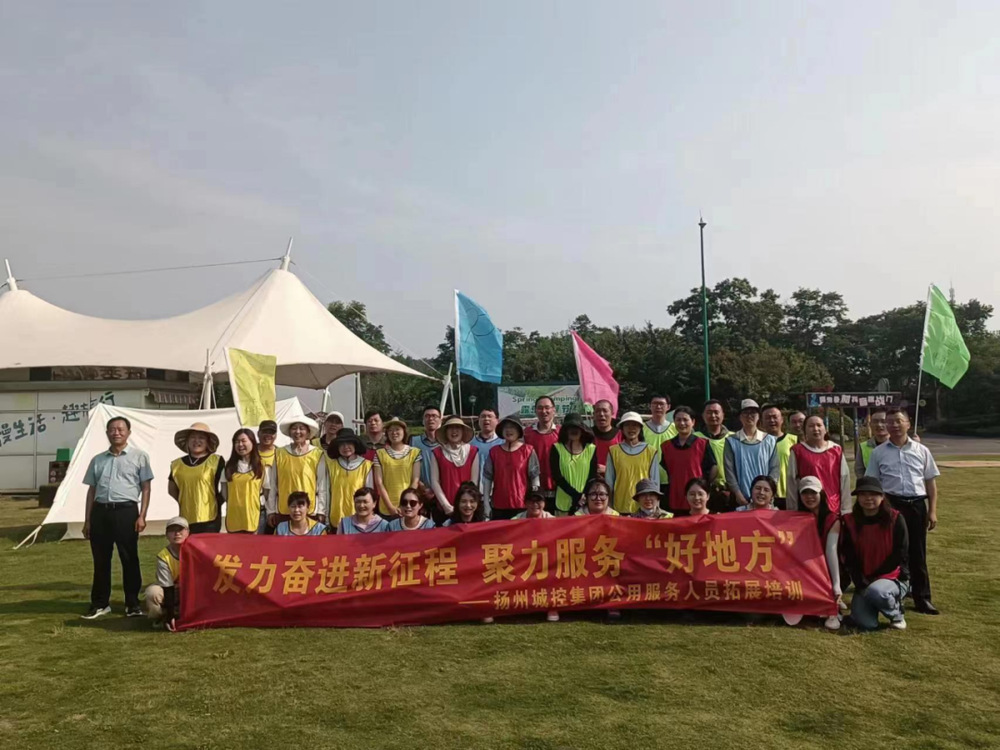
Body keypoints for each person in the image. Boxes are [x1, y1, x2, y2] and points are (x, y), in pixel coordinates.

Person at [865, 407, 940, 615]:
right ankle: (894, 595)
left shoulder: (921, 450)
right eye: (889, 422)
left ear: (908, 423)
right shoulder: (878, 453)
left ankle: (922, 598)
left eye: (898, 421)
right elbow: (874, 483)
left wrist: (932, 511)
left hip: (917, 505)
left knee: (918, 552)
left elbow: (930, 483)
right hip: (892, 505)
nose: (894, 425)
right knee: (894, 552)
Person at [81, 416, 152, 620]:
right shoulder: (98, 459)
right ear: (107, 433)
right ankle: (100, 604)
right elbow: (91, 491)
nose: (116, 433)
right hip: (100, 512)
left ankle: (132, 604)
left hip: (126, 512)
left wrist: (142, 515)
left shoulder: (140, 457)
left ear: (128, 432)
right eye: (112, 429)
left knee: (129, 558)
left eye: (121, 429)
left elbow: (146, 488)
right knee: (100, 560)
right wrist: (87, 520)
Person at [841, 476, 910, 631]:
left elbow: (900, 554)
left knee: (878, 592)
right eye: (863, 494)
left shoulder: (895, 519)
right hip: (865, 581)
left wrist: (875, 577)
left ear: (882, 496)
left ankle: (897, 615)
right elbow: (849, 556)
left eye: (873, 494)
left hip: (892, 578)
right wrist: (860, 580)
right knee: (867, 624)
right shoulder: (850, 522)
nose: (868, 498)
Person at [784, 477, 844, 631]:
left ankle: (833, 607)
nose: (809, 497)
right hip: (803, 570)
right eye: (805, 493)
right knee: (791, 618)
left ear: (821, 494)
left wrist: (836, 585)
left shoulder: (832, 519)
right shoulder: (796, 518)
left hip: (827, 570)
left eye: (813, 493)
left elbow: (831, 551)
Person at [786, 415, 852, 514]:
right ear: (805, 430)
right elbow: (792, 482)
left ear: (825, 429)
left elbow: (844, 479)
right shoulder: (797, 451)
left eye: (819, 425)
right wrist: (792, 510)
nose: (815, 429)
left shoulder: (836, 450)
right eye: (811, 426)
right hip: (808, 508)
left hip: (833, 508)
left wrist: (846, 509)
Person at [168, 422, 225, 534]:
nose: (196, 441)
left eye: (201, 438)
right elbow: (172, 489)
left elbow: (225, 488)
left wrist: (217, 502)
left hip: (210, 518)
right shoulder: (177, 464)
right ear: (187, 441)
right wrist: (185, 500)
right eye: (193, 437)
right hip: (186, 517)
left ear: (208, 442)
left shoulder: (216, 461)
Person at [660, 406, 716, 516]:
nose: (682, 423)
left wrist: (703, 485)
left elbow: (713, 468)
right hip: (675, 496)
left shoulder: (702, 444)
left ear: (693, 422)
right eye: (678, 420)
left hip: (697, 499)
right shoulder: (666, 446)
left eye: (685, 420)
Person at [723, 399, 779, 509]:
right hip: (741, 499)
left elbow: (775, 469)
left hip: (765, 498)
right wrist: (738, 494)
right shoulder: (731, 441)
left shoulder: (770, 440)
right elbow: (729, 471)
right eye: (745, 413)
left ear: (759, 416)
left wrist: (768, 493)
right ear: (740, 417)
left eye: (753, 413)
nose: (749, 416)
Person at [483, 415, 540, 520]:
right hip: (498, 506)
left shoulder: (528, 450)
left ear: (519, 431)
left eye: (512, 427)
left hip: (522, 506)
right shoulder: (494, 452)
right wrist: (486, 503)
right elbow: (487, 478)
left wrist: (534, 501)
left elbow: (535, 477)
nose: (509, 430)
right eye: (506, 427)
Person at [272, 417, 323, 527]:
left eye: (302, 428)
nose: (298, 432)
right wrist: (270, 510)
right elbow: (273, 484)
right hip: (285, 510)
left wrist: (322, 510)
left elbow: (322, 485)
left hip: (309, 510)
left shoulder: (317, 454)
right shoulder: (279, 453)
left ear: (308, 432)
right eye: (294, 428)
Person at [606, 412, 659, 515]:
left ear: (640, 428)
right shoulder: (613, 451)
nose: (631, 428)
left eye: (635, 425)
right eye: (627, 425)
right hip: (620, 507)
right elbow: (609, 482)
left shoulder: (651, 451)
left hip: (644, 509)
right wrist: (609, 507)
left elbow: (655, 482)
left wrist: (655, 508)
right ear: (622, 428)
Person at [221, 428, 273, 534]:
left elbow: (267, 492)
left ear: (252, 442)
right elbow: (224, 491)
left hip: (256, 514)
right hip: (234, 515)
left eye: (243, 441)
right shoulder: (228, 466)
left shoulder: (262, 466)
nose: (240, 444)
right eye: (237, 442)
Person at [320, 428, 374, 529]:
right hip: (336, 519)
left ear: (355, 445)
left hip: (360, 519)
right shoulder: (331, 465)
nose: (346, 447)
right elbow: (326, 492)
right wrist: (326, 518)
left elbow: (369, 494)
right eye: (342, 444)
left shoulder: (365, 466)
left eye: (349, 443)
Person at [430, 416, 480, 520]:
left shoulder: (473, 451)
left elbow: (473, 482)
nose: (454, 431)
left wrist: (468, 504)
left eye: (458, 427)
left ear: (463, 431)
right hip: (444, 507)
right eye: (450, 428)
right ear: (445, 431)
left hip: (467, 508)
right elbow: (434, 481)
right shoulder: (437, 452)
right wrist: (445, 505)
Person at [144, 516, 188, 630]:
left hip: (189, 590)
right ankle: (162, 616)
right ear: (167, 535)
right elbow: (168, 587)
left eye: (180, 529)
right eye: (172, 530)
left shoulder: (195, 551)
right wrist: (170, 615)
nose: (177, 533)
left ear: (188, 532)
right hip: (171, 590)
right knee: (152, 593)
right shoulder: (164, 556)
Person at [373, 417, 421, 518]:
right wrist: (390, 507)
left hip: (409, 507)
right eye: (390, 430)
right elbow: (379, 483)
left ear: (404, 431)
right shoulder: (379, 454)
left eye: (397, 429)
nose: (394, 433)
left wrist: (404, 504)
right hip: (386, 507)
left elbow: (415, 481)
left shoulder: (414, 453)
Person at [551, 413, 598, 515]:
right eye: (570, 427)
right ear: (565, 430)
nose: (574, 430)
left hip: (585, 502)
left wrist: (584, 494)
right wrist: (576, 495)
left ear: (582, 430)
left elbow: (592, 476)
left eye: (577, 427)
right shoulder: (556, 448)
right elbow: (557, 477)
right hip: (563, 502)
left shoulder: (591, 449)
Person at [524, 396, 560, 512]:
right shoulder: (527, 433)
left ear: (554, 410)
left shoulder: (561, 433)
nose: (544, 411)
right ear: (535, 410)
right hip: (534, 491)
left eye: (547, 408)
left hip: (558, 489)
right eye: (540, 408)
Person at [696, 399, 733, 512]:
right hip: (704, 492)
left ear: (723, 415)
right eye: (709, 412)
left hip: (730, 491)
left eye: (716, 412)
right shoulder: (695, 438)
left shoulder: (734, 438)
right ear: (703, 415)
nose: (713, 416)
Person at [761, 404, 798, 509]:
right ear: (761, 422)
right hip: (765, 497)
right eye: (767, 418)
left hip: (790, 495)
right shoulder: (757, 443)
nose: (772, 420)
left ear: (782, 420)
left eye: (775, 417)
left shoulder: (794, 440)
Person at [412, 405, 442, 505]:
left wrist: (436, 489)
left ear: (440, 420)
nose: (431, 419)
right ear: (423, 420)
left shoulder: (445, 442)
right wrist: (422, 487)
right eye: (427, 416)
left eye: (434, 416)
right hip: (420, 493)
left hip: (442, 493)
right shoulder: (414, 442)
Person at [470, 408, 503, 489]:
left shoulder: (503, 443)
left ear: (497, 420)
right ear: (478, 420)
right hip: (475, 489)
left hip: (497, 489)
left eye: (490, 416)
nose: (486, 419)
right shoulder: (471, 443)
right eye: (483, 416)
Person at [591, 399, 621, 478]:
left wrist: (608, 469)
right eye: (598, 411)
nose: (601, 414)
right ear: (594, 414)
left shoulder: (621, 436)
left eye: (605, 411)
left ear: (612, 413)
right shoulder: (587, 435)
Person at [857, 407, 890, 476]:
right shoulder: (863, 446)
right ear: (870, 424)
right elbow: (859, 471)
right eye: (875, 421)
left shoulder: (897, 445)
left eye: (883, 421)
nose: (879, 425)